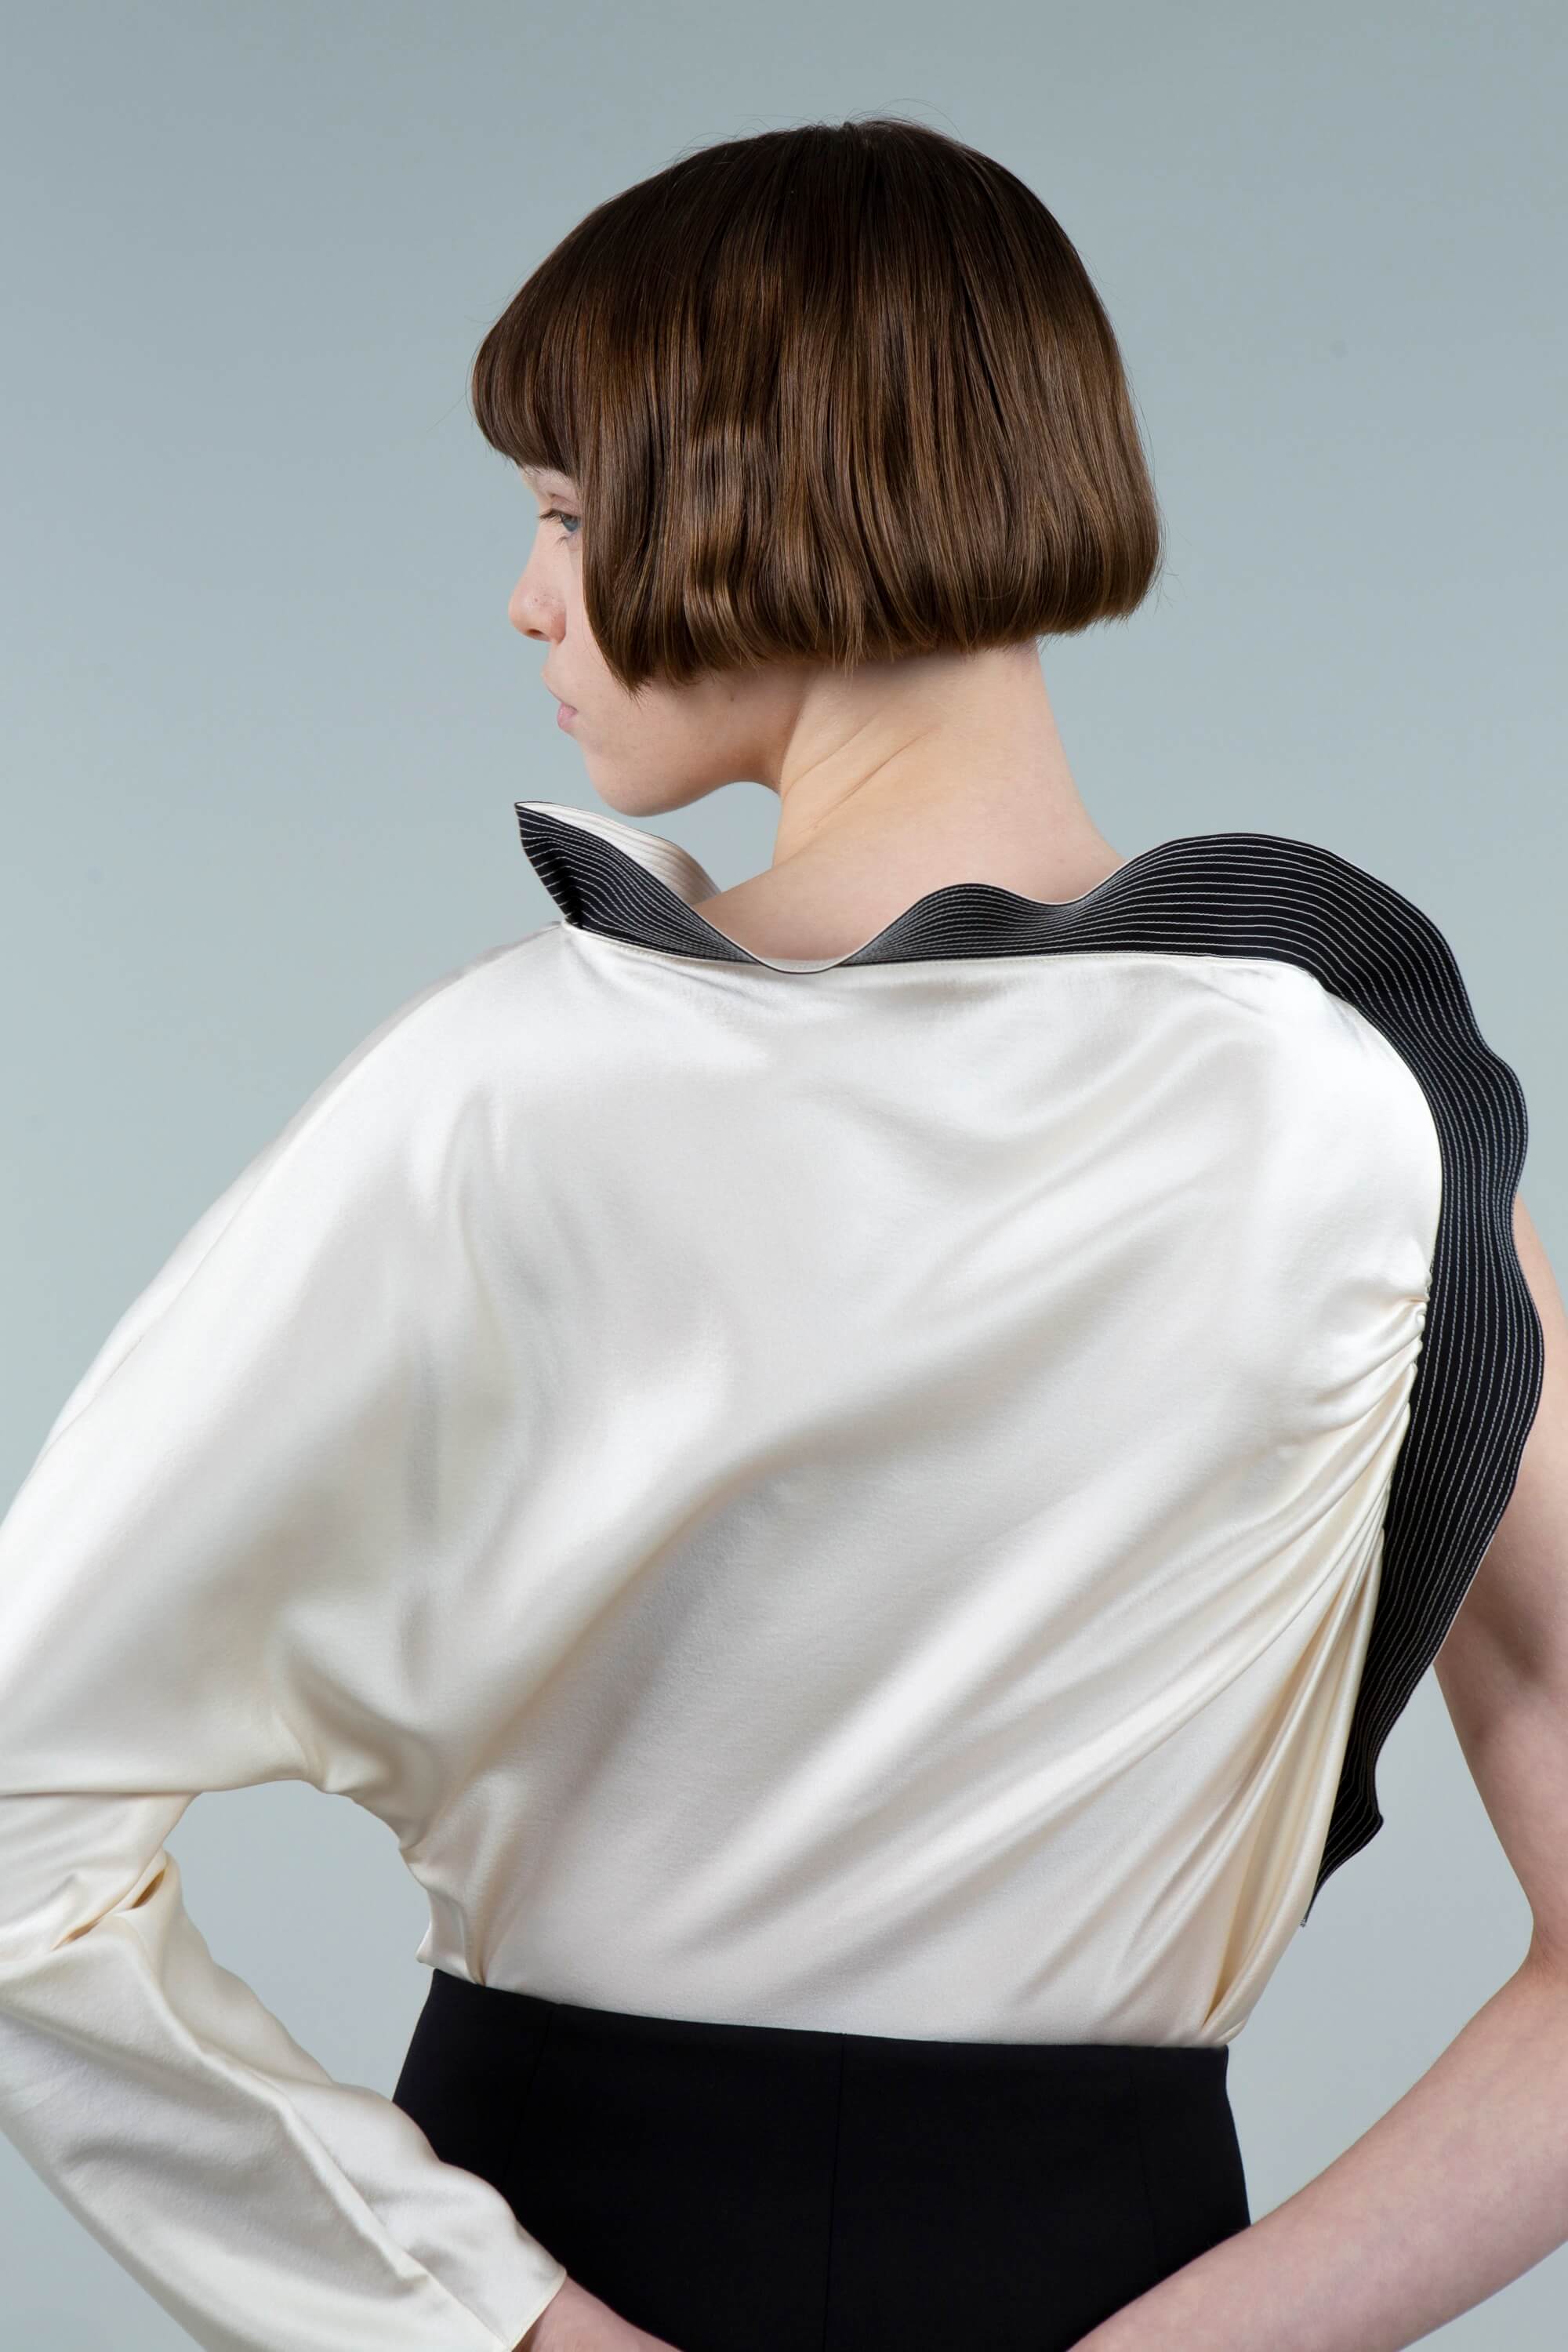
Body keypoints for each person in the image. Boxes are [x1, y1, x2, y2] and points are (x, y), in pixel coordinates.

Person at [1, 114, 1564, 2352]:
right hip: (1116, 2258)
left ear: (767, 492)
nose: (527, 596)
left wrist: (492, 2324)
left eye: (565, 509)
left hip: (554, 2262)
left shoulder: (502, 1092)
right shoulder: (1370, 1121)